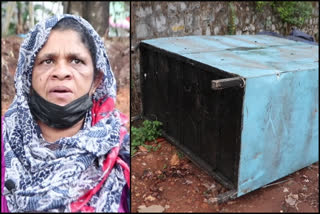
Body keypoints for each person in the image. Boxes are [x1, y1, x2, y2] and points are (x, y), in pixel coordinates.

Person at [1, 14, 130, 212]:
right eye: (47, 61)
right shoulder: (6, 141)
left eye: (76, 61)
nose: (61, 72)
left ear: (96, 80)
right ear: (28, 75)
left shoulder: (120, 150)